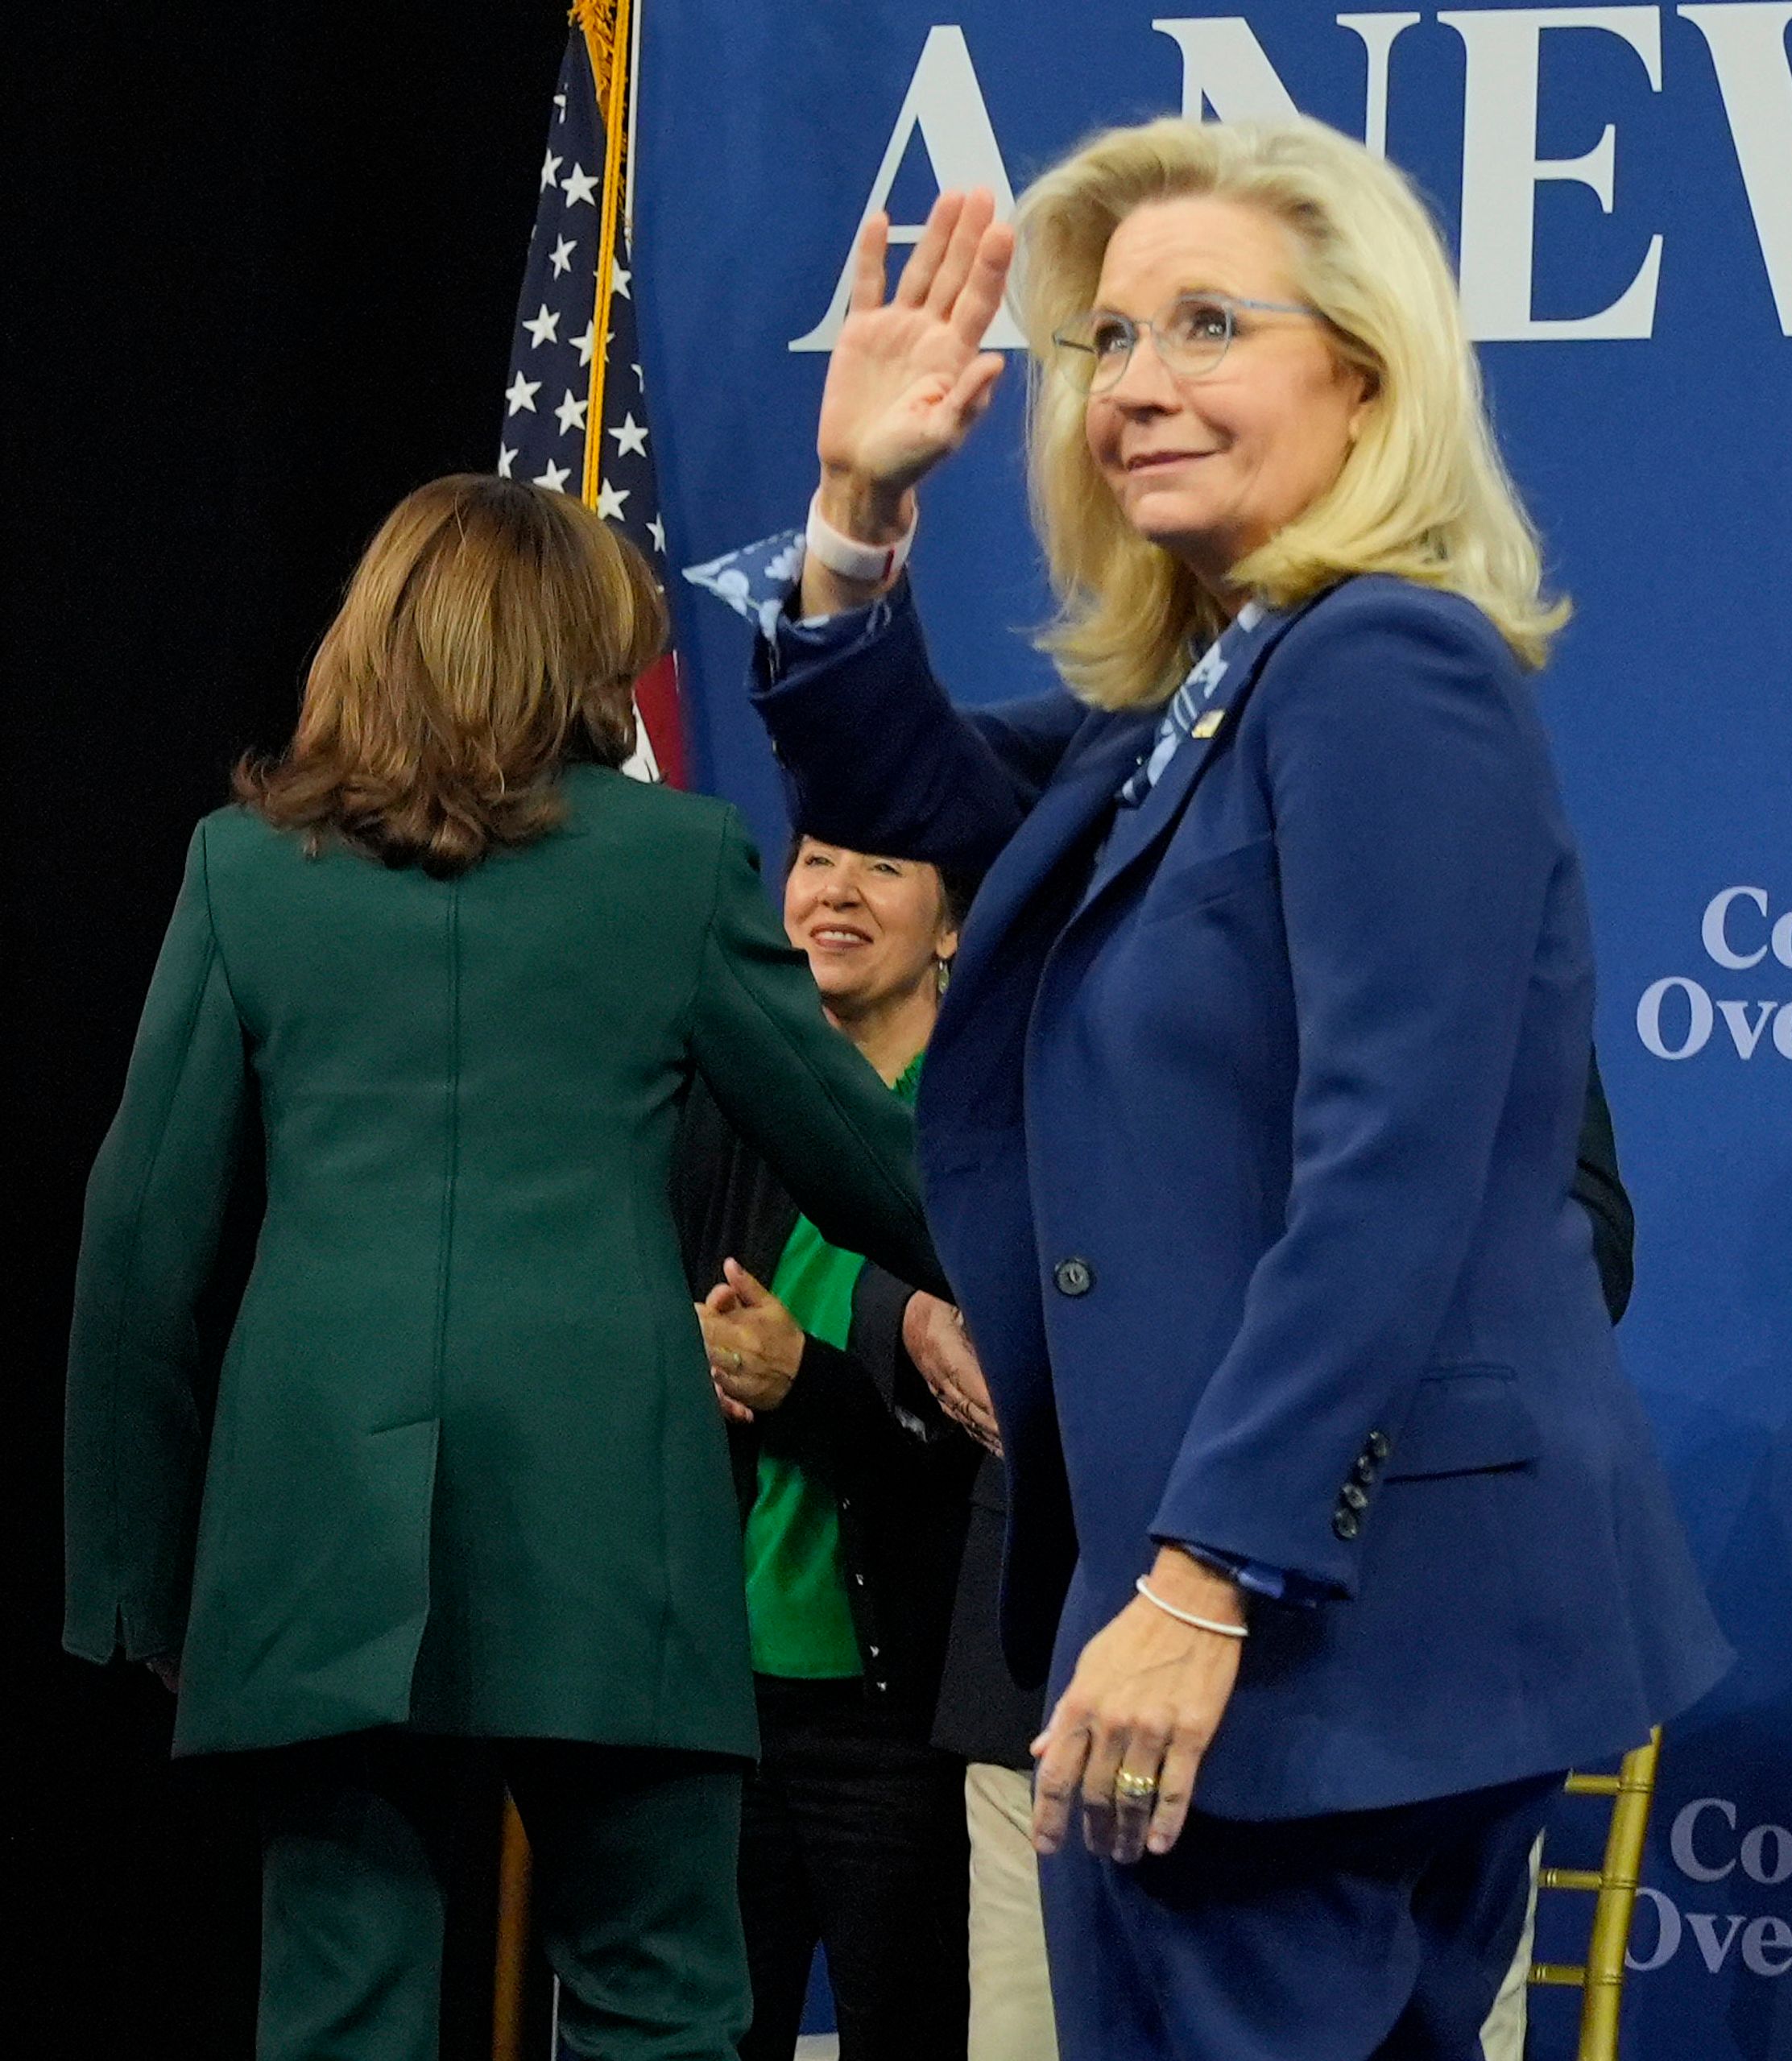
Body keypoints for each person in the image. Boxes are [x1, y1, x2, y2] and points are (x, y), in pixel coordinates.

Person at [748, 119, 1730, 2059]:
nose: (1140, 384)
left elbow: (1395, 1167)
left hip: (1312, 1631)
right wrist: (856, 511)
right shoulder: (1207, 694)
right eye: (1108, 340)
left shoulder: (1384, 670)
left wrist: (1205, 1579)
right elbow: (914, 797)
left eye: (1209, 324)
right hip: (1286, 1622)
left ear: (1359, 373)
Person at [63, 476, 944, 2061]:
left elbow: (138, 1248)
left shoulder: (244, 872)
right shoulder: (680, 864)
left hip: (315, 1515)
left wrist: (143, 1569)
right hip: (607, 1513)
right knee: (661, 1999)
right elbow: (868, 1164)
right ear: (572, 660)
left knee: (341, 2012)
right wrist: (1061, 1274)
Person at [915, 1055, 1640, 2061]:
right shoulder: (1073, 918)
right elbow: (990, 1194)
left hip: (1387, 1665)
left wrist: (1314, 1343)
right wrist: (914, 1307)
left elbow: (1585, 1252)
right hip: (1068, 1669)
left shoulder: (1454, 933)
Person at [668, 834, 979, 2061]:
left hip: (902, 1719)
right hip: (710, 1704)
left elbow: (1003, 1434)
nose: (833, 891)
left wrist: (806, 1387)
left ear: (953, 926)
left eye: (884, 867)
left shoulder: (988, 1125)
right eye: (812, 859)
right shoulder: (722, 1093)